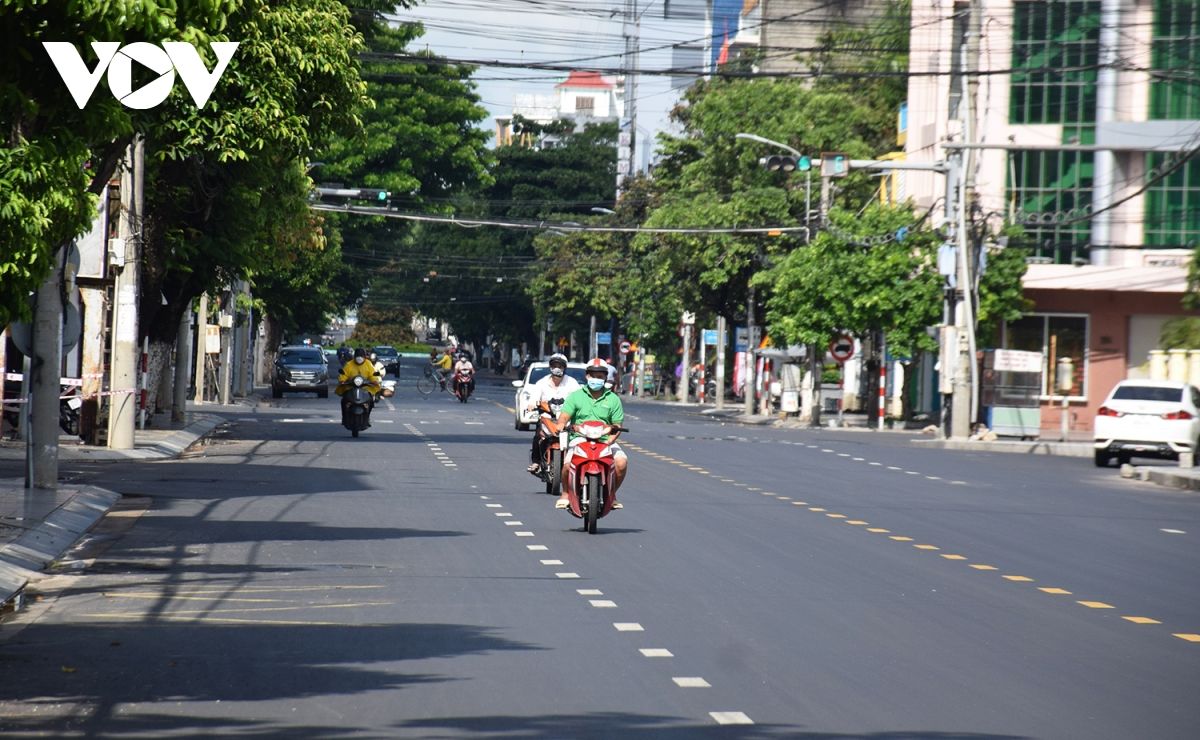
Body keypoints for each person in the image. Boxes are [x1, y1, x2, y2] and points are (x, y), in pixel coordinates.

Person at [555, 358, 626, 510]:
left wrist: (610, 441)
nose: (596, 379)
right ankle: (566, 494)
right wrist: (561, 424)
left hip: (605, 440)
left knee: (621, 463)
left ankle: (611, 495)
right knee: (567, 464)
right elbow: (565, 416)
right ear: (587, 376)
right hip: (579, 439)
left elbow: (617, 425)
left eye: (600, 376)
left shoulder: (613, 399)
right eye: (593, 375)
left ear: (605, 378)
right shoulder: (575, 396)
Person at [525, 353, 581, 475]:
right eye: (554, 365)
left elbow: (579, 398)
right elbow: (533, 398)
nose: (557, 368)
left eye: (560, 366)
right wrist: (532, 404)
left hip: (566, 418)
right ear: (550, 367)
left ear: (564, 368)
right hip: (548, 417)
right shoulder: (541, 383)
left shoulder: (572, 383)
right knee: (538, 436)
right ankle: (536, 462)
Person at [336, 348, 381, 427]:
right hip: (351, 387)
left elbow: (372, 374)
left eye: (361, 356)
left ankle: (367, 418)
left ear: (364, 357)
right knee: (344, 401)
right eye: (357, 356)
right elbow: (344, 374)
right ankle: (344, 417)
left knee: (370, 401)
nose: (359, 358)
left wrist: (374, 381)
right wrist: (342, 380)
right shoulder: (349, 364)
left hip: (364, 387)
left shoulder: (368, 364)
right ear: (354, 356)